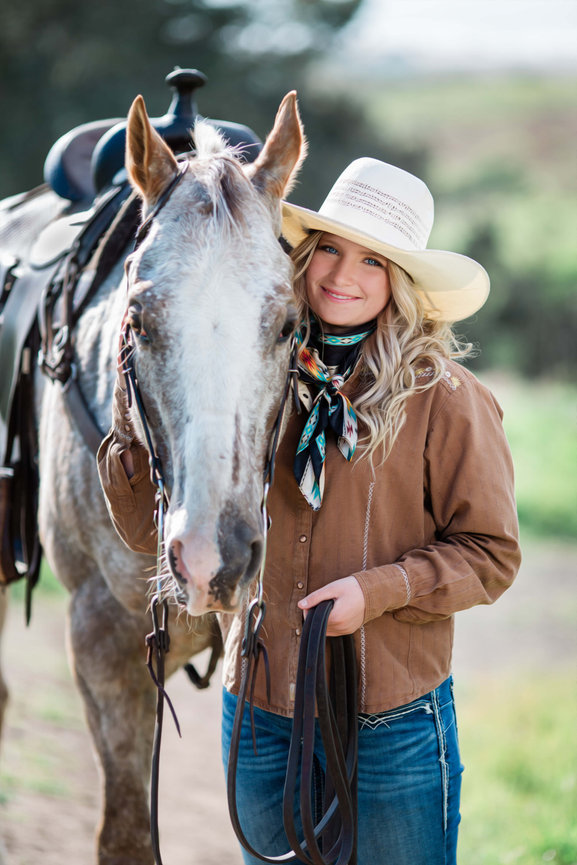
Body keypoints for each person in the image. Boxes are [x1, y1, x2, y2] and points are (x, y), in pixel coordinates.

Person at [98, 157, 521, 865]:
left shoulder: (443, 397)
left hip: (390, 725)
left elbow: (491, 554)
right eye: (329, 248)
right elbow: (147, 529)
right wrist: (132, 398)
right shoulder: (249, 375)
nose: (341, 275)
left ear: (399, 281)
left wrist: (375, 592)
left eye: (372, 260)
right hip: (259, 711)